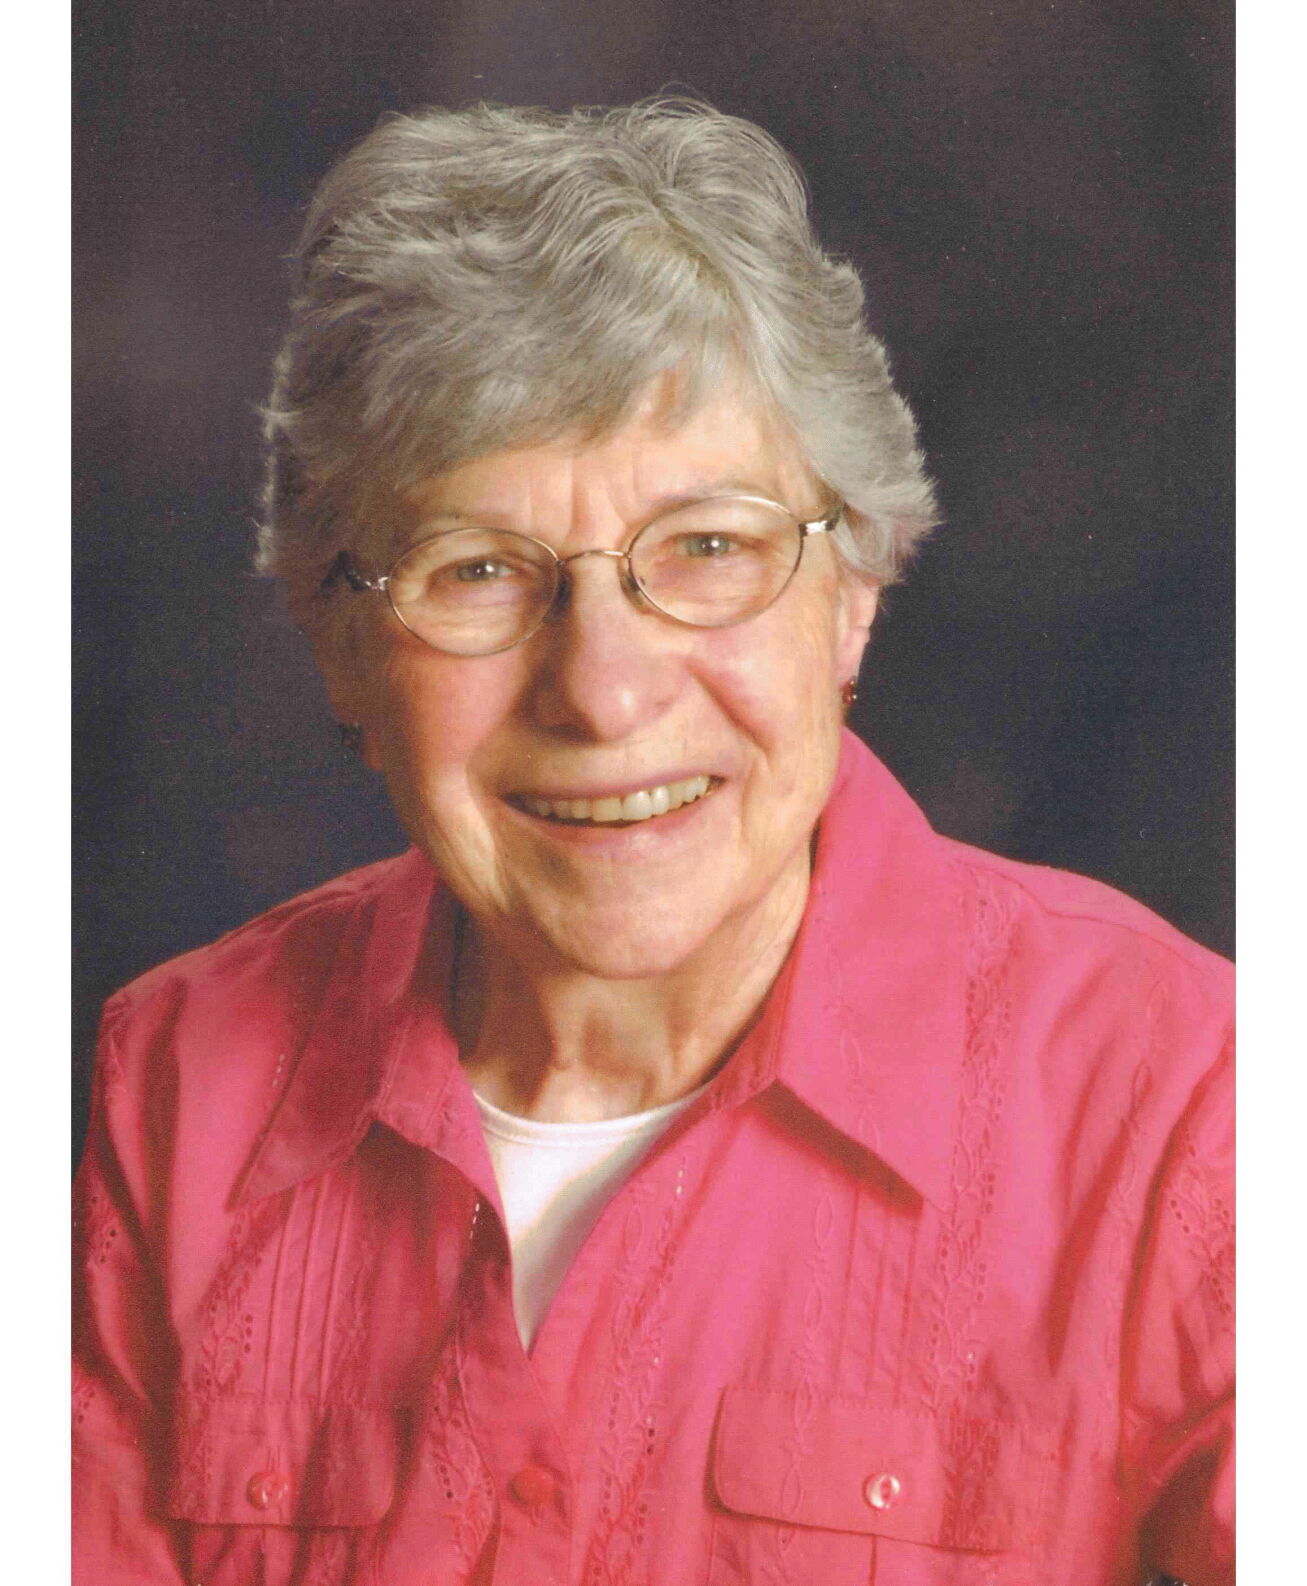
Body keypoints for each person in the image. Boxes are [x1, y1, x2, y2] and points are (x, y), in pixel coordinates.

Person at [72, 101, 1233, 1586]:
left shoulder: (1177, 1093)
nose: (605, 692)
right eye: (478, 570)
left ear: (855, 593)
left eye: (709, 548)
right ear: (341, 643)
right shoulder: (179, 1077)